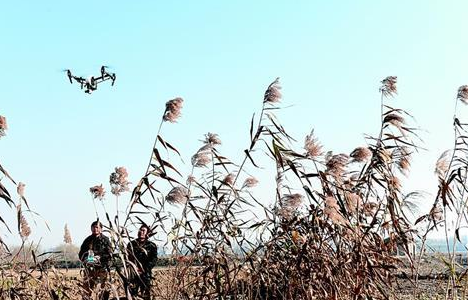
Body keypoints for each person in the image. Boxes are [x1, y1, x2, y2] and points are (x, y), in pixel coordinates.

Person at [79, 221, 112, 299]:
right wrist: (85, 258)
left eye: (97, 227)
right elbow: (81, 254)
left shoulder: (105, 240)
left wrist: (100, 257)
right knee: (86, 290)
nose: (95, 229)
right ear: (91, 228)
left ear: (101, 229)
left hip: (102, 269)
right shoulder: (87, 240)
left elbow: (110, 254)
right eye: (93, 227)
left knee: (102, 290)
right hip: (89, 269)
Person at [126, 224, 158, 300]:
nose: (141, 232)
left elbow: (153, 260)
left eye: (143, 231)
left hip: (145, 275)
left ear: (147, 233)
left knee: (146, 295)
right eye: (140, 230)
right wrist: (133, 268)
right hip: (133, 274)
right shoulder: (131, 244)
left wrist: (143, 269)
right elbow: (127, 258)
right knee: (132, 294)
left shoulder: (151, 245)